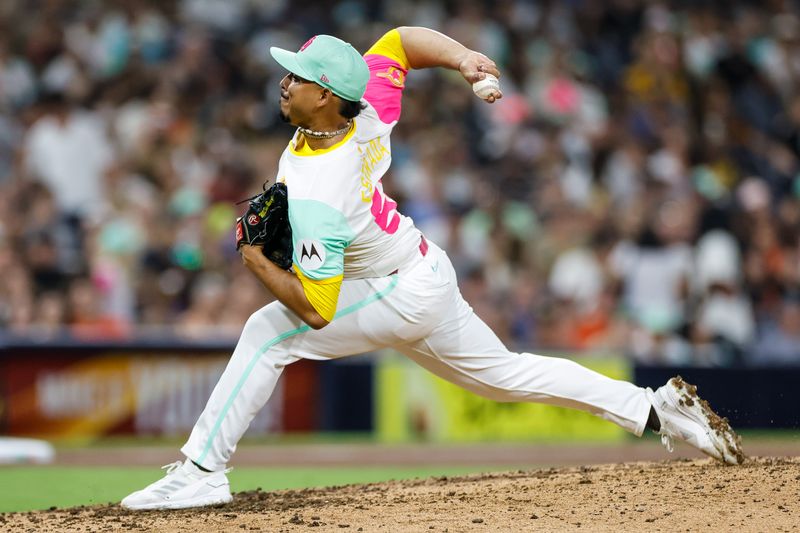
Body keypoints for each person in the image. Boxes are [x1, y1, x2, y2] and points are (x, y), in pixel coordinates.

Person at [121, 27, 743, 510]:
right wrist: (466, 57)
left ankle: (202, 472)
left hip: (392, 291)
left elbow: (317, 309)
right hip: (420, 270)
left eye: (299, 77)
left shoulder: (320, 189)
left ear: (328, 96)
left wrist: (254, 256)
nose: (285, 82)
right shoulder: (367, 111)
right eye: (288, 72)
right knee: (506, 375)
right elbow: (399, 43)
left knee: (268, 332)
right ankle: (658, 410)